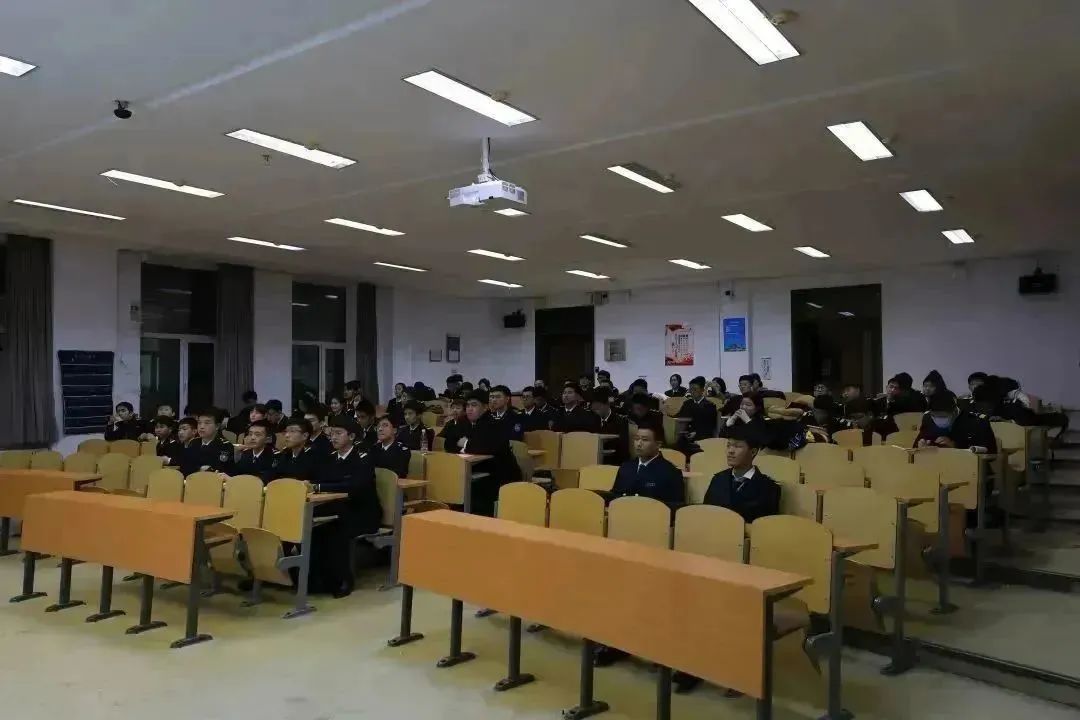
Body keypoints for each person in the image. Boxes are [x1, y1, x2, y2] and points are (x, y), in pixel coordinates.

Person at [674, 426, 780, 694]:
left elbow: (764, 532)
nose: (731, 451)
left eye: (738, 446)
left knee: (736, 615)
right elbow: (707, 516)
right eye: (729, 445)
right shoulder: (719, 479)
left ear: (753, 452)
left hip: (746, 563)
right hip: (714, 556)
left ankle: (739, 671)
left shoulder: (768, 488)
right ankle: (694, 665)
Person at [594, 425, 685, 668]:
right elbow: (614, 496)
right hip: (621, 537)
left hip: (653, 541)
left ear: (658, 444)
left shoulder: (669, 472)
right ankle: (616, 641)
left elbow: (676, 508)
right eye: (636, 439)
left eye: (645, 440)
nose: (639, 444)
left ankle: (653, 646)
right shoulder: (626, 467)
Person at [310, 416, 381, 597]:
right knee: (315, 527)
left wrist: (320, 487)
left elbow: (355, 486)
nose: (333, 437)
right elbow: (322, 480)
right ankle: (316, 580)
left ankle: (343, 580)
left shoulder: (363, 457)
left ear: (351, 436)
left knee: (336, 529)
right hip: (337, 508)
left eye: (338, 433)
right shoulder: (331, 458)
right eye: (332, 433)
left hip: (362, 512)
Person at [451, 390, 521, 516]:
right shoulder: (464, 422)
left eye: (474, 405)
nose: (469, 409)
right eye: (467, 405)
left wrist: (465, 444)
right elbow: (450, 443)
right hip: (475, 471)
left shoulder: (494, 424)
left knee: (472, 493)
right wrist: (468, 445)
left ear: (485, 407)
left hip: (499, 475)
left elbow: (485, 447)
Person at [916, 394, 997, 452]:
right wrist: (920, 447)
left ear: (955, 411)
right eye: (935, 416)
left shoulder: (976, 422)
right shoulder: (928, 419)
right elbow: (916, 445)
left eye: (943, 416)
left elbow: (991, 451)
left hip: (968, 466)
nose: (939, 420)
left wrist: (955, 446)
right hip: (934, 465)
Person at [180, 408, 235, 476]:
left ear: (217, 426)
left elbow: (227, 471)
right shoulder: (193, 443)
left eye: (207, 423)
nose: (201, 427)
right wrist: (199, 469)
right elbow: (184, 466)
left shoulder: (225, 445)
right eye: (199, 423)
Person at [676, 376, 718, 453]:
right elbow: (680, 418)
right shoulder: (687, 403)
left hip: (702, 437)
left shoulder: (710, 405)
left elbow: (710, 426)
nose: (692, 392)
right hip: (686, 436)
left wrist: (696, 433)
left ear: (702, 390)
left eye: (695, 389)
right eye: (690, 389)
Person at [590, 387, 629, 465]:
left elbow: (623, 450)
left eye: (598, 407)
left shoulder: (621, 422)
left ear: (607, 404)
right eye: (594, 408)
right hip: (593, 461)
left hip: (614, 463)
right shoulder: (592, 420)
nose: (596, 410)